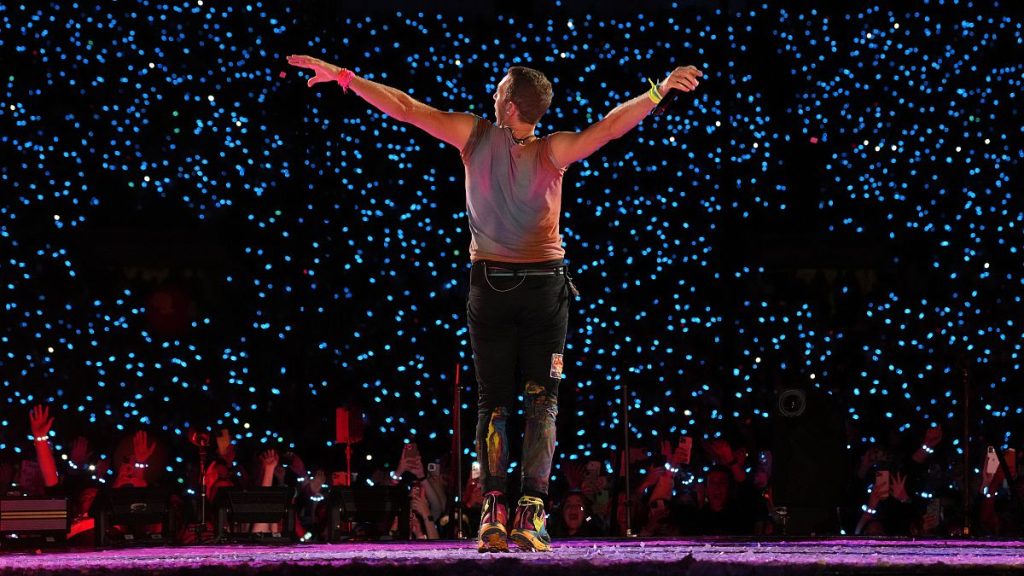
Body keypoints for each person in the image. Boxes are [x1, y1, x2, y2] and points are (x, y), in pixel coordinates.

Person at [287, 54, 703, 552]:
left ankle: (496, 512)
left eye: (499, 90)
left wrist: (348, 79)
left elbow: (404, 107)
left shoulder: (474, 135)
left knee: (495, 407)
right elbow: (611, 126)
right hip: (543, 290)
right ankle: (529, 513)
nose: (493, 94)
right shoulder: (554, 149)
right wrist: (656, 94)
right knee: (540, 402)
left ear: (508, 105)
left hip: (492, 286)